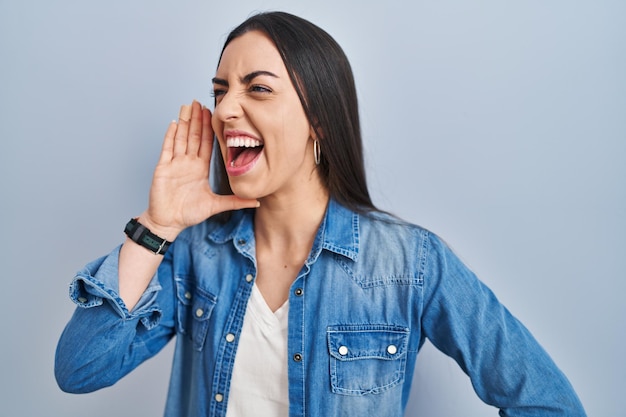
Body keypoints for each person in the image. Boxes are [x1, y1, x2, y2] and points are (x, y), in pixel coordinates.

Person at [55, 11, 586, 417]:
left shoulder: (410, 263)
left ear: (320, 121)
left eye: (258, 88)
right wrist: (160, 225)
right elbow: (79, 369)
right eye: (220, 92)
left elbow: (548, 402)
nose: (226, 109)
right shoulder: (196, 254)